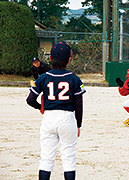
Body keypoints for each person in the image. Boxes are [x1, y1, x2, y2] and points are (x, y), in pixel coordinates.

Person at [26, 42, 86, 180]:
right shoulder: (74, 79)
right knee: (68, 157)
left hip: (49, 118)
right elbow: (79, 104)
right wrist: (78, 125)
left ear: (50, 59)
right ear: (69, 60)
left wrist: (40, 107)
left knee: (46, 158)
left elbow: (30, 99)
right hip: (67, 118)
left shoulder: (43, 77)